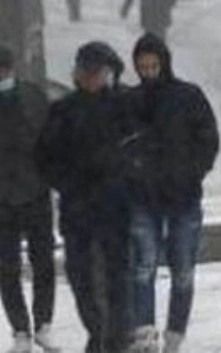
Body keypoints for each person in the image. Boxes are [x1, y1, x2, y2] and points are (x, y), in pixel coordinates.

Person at [122, 35, 219, 353]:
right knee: (143, 268)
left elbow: (208, 138)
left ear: (164, 63)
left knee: (183, 269)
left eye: (153, 65)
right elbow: (118, 144)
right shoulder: (130, 101)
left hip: (184, 195)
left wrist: (193, 171)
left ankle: (175, 334)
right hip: (142, 196)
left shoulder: (188, 96)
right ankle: (145, 333)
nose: (148, 71)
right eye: (143, 66)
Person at [37, 42, 131, 353]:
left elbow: (143, 149)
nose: (91, 78)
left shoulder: (125, 106)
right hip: (77, 208)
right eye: (85, 73)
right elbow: (44, 158)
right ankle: (97, 329)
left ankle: (116, 337)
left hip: (117, 205)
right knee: (81, 277)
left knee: (118, 274)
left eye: (98, 73)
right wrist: (68, 183)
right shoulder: (63, 111)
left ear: (108, 74)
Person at [0, 47, 57, 353]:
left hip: (34, 190)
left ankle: (40, 324)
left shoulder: (33, 96)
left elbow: (49, 139)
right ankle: (22, 328)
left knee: (41, 260)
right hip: (11, 195)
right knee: (8, 266)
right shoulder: (34, 95)